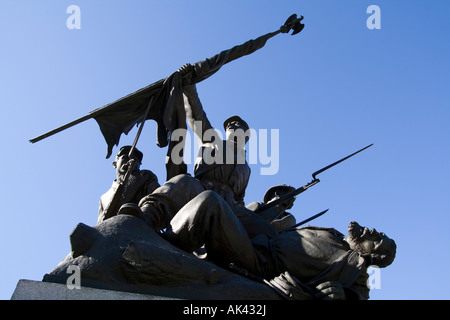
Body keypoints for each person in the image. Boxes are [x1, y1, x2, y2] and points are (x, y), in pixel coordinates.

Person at [161, 190, 396, 300]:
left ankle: (160, 245)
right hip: (266, 236)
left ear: (374, 256)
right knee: (193, 186)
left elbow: (360, 297)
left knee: (210, 203)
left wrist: (343, 295)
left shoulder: (358, 271)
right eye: (380, 232)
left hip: (261, 260)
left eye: (377, 241)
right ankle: (150, 214)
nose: (373, 232)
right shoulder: (333, 234)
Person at [97, 146, 160, 224]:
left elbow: (157, 201)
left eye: (135, 159)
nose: (130, 160)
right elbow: (100, 225)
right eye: (125, 157)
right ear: (115, 164)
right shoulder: (104, 198)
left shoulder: (145, 178)